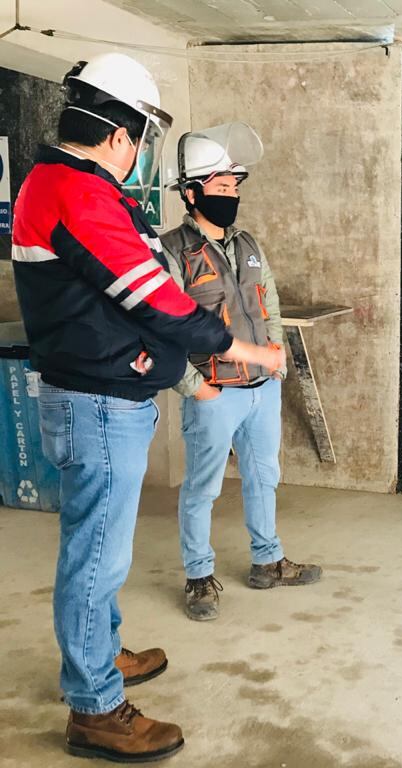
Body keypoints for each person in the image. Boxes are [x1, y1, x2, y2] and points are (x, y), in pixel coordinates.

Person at [11, 54, 284, 763]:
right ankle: (96, 709)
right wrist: (241, 350)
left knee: (102, 551)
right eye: (141, 138)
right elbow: (155, 298)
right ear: (120, 135)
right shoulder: (76, 191)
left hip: (108, 398)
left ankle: (100, 655)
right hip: (98, 404)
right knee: (96, 558)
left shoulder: (74, 187)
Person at [161, 124, 321, 622]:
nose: (231, 195)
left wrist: (276, 354)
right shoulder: (172, 252)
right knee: (203, 488)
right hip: (214, 392)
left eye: (235, 186)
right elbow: (160, 327)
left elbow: (268, 301)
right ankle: (198, 577)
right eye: (222, 186)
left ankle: (267, 561)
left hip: (261, 389)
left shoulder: (247, 243)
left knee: (263, 476)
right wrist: (195, 388)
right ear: (192, 193)